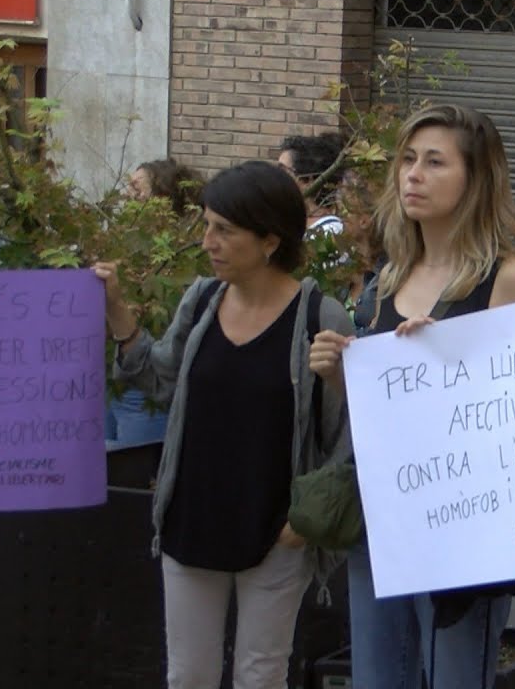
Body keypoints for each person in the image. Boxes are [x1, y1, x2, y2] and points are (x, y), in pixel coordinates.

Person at [309, 103, 515, 689]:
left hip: (466, 529)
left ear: (475, 179)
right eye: (408, 159)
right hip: (383, 514)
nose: (412, 174)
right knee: (377, 677)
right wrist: (342, 375)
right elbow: (382, 413)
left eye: (435, 162)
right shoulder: (390, 274)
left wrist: (451, 361)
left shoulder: (508, 277)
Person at [96, 160, 354, 689]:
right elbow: (161, 382)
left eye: (223, 230)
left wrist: (302, 523)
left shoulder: (320, 318)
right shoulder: (203, 301)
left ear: (269, 240)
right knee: (188, 676)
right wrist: (118, 312)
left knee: (260, 675)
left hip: (276, 526)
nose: (207, 241)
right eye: (207, 225)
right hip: (192, 517)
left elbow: (347, 435)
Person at [105, 157, 203, 448]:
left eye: (137, 189)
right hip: (112, 378)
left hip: (147, 388)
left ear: (163, 198)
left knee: (131, 474)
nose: (127, 197)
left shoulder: (185, 258)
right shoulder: (125, 242)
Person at [277, 132, 347, 236]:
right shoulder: (291, 225)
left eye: (282, 171)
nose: (275, 177)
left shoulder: (331, 231)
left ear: (308, 180)